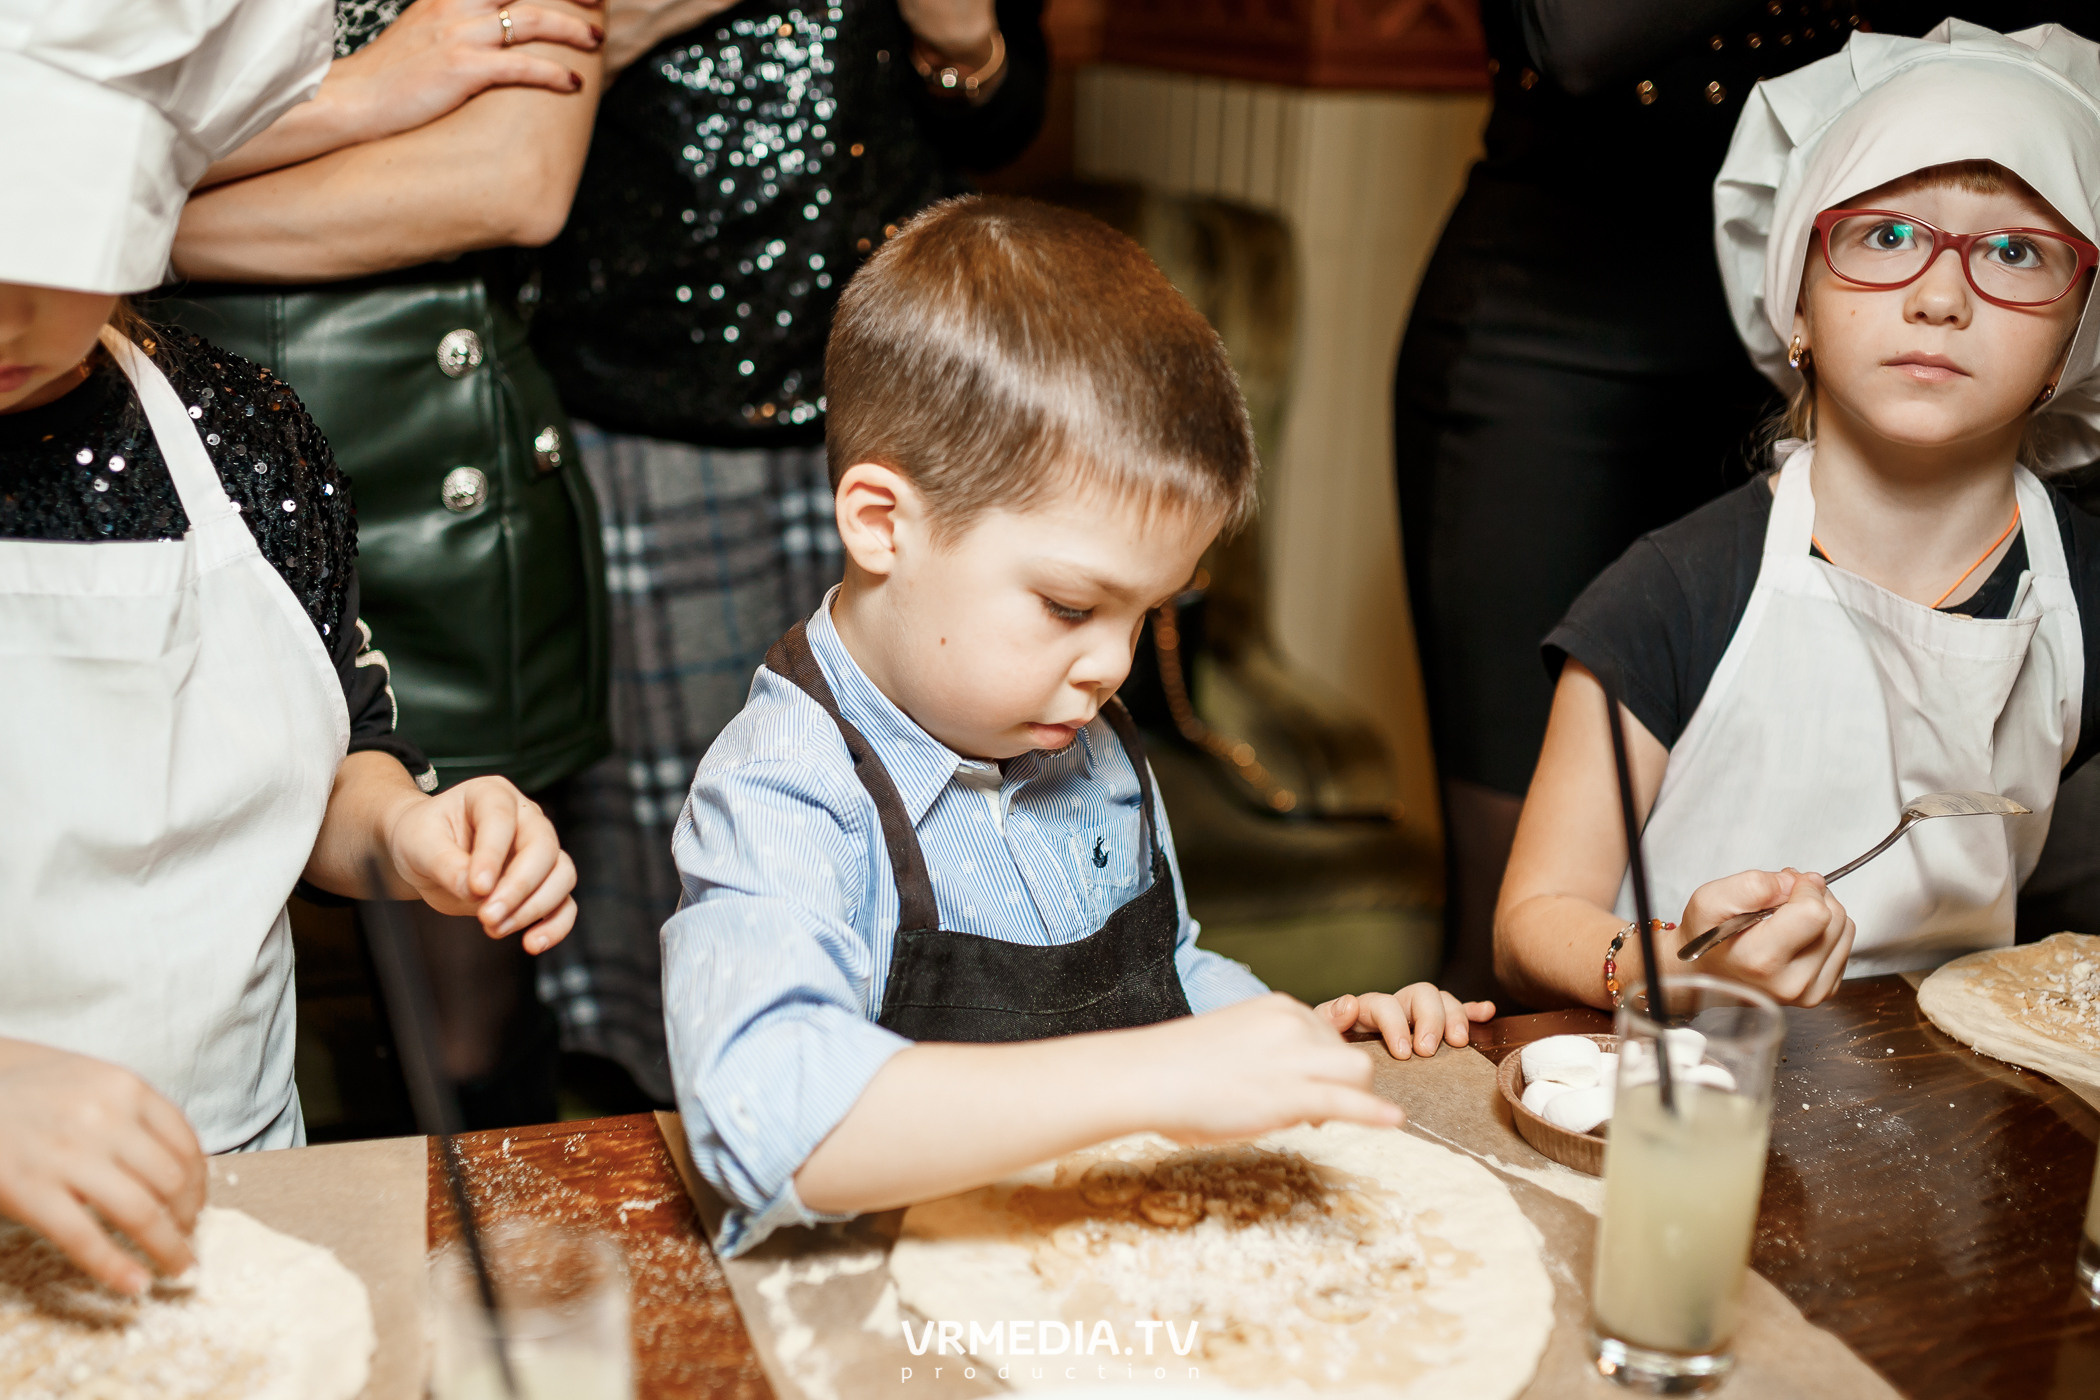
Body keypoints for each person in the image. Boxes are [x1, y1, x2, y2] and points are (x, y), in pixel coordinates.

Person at [664, 197, 1492, 1255]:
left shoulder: (1082, 741)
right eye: (1069, 605)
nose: (1111, 665)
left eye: (1150, 611)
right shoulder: (784, 786)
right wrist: (1161, 1073)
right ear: (882, 523)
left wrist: (1285, 1034)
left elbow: (1169, 970)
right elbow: (769, 1127)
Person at [0, 0, 576, 1293]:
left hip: (231, 1203)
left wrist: (409, 833)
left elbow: (327, 759)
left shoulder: (242, 439)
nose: (7, 302)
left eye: (52, 234)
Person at [1391, 0, 2066, 1001]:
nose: (1941, 293)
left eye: (2011, 252)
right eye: (1889, 235)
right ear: (1797, 297)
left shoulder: (2069, 579)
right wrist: (1665, 965)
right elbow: (1532, 922)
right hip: (1571, 278)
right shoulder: (1666, 591)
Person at [523, 0, 1049, 1107]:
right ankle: (714, 1109)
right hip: (646, 391)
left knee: (927, 780)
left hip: (905, 394)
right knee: (686, 842)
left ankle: (917, 1093)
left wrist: (962, 40)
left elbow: (1006, 115)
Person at [161, 0, 613, 1127]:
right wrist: (359, 95)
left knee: (462, 1001)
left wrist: (141, 214)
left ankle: (467, 1290)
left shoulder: (74, 254)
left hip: (441, 472)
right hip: (147, 439)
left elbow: (511, 179)